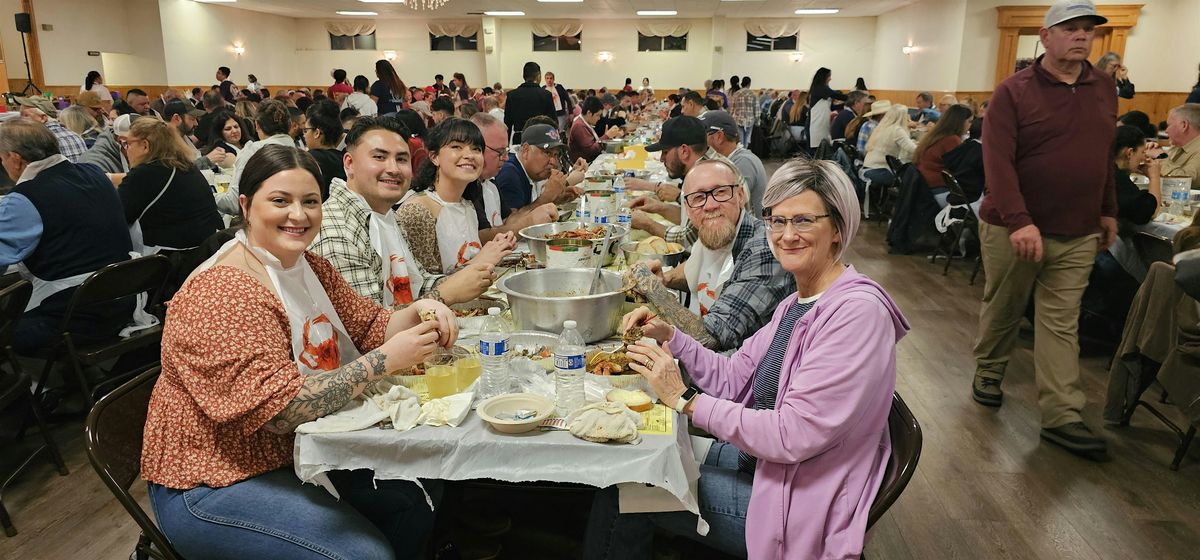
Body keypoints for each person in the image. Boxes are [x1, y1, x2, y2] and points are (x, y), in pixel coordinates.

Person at [585, 158, 907, 559]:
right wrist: (672, 337)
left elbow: (791, 436)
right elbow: (733, 377)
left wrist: (685, 400)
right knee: (637, 453)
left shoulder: (856, 314)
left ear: (838, 229)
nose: (786, 235)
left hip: (802, 505)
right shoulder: (799, 302)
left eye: (804, 221)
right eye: (777, 221)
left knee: (624, 490)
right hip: (768, 465)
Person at [141, 144, 451, 560]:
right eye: (280, 201)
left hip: (296, 454)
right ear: (247, 206)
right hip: (214, 479)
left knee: (418, 492)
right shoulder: (221, 292)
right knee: (366, 555)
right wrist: (384, 361)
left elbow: (371, 326)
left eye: (310, 202)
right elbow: (279, 412)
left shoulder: (308, 265)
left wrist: (419, 310)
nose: (299, 215)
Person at [972, 0, 1118, 458]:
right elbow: (996, 162)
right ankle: (989, 370)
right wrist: (1020, 220)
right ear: (1045, 35)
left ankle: (1062, 414)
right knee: (1006, 305)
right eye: (1069, 28)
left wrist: (1108, 209)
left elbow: (1103, 157)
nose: (1080, 36)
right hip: (1013, 227)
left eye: (1087, 30)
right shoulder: (1013, 91)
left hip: (1077, 229)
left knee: (1061, 322)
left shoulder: (1103, 88)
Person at [313, 116, 496, 308]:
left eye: (401, 159)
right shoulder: (337, 229)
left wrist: (470, 277)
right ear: (349, 163)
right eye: (379, 157)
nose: (393, 169)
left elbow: (419, 283)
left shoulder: (386, 216)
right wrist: (447, 293)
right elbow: (368, 329)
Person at [623, 159, 793, 351]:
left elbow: (711, 337)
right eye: (698, 197)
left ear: (739, 195)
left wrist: (651, 287)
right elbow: (692, 272)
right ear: (687, 208)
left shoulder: (766, 250)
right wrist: (665, 279)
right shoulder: (713, 232)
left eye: (720, 192)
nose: (710, 205)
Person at [0, 118, 134, 356]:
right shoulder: (94, 173)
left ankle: (32, 388)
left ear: (14, 158)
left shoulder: (25, 198)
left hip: (73, 314)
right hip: (123, 298)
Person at [398, 118, 517, 274]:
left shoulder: (467, 205)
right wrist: (483, 258)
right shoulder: (417, 212)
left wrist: (496, 248)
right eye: (456, 147)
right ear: (434, 157)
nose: (469, 155)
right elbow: (423, 290)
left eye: (476, 149)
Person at [1081, 125, 1163, 338]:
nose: (1141, 159)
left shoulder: (1100, 167)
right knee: (1154, 272)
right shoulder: (1113, 177)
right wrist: (1154, 177)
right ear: (1129, 152)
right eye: (1141, 153)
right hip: (1099, 256)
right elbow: (1146, 212)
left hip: (1081, 246)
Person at [626, 116, 746, 249]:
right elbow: (694, 222)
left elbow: (687, 239)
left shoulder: (706, 176)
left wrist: (646, 224)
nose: (661, 159)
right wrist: (659, 208)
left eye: (665, 152)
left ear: (684, 151)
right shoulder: (706, 165)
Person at [119, 118, 223, 258]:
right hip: (208, 251)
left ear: (145, 145)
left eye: (127, 144)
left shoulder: (143, 174)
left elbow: (118, 217)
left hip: (172, 261)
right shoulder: (186, 166)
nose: (126, 149)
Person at [466, 112, 557, 241]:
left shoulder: (490, 182)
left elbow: (508, 219)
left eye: (506, 151)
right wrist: (531, 219)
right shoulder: (468, 185)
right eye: (500, 152)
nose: (506, 157)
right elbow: (481, 238)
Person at [217, 99, 296, 215]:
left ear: (257, 125)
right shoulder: (304, 155)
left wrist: (208, 196)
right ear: (290, 126)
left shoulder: (252, 151)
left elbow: (234, 203)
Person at [493, 123, 580, 217]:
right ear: (526, 150)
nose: (554, 162)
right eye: (547, 153)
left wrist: (555, 199)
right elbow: (511, 223)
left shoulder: (529, 172)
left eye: (555, 155)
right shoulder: (509, 174)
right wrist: (546, 198)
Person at [700, 110, 767, 217]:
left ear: (719, 137)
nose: (698, 143)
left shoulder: (743, 162)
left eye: (702, 137)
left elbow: (724, 206)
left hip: (754, 230)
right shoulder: (734, 159)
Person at [915, 104, 974, 207]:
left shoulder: (934, 136)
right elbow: (963, 170)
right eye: (969, 121)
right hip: (938, 191)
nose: (971, 125)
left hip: (923, 188)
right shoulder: (952, 140)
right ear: (960, 122)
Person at [862, 104, 916, 189]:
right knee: (912, 179)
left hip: (868, 167)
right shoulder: (897, 130)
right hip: (881, 170)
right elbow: (913, 149)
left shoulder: (881, 127)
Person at [15, 100, 88, 163]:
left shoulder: (38, 142)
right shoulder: (75, 135)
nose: (20, 121)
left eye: (25, 116)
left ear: (43, 118)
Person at [163, 100, 226, 170]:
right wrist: (207, 159)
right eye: (192, 119)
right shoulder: (164, 143)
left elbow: (195, 157)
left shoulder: (182, 136)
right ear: (176, 118)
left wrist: (214, 153)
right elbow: (180, 171)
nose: (196, 124)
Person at [303, 99, 347, 200]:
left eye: (306, 130)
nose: (304, 136)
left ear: (317, 133)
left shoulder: (308, 160)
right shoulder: (345, 158)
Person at [503, 62, 556, 141]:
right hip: (541, 140)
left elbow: (507, 123)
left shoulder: (512, 95)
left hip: (520, 139)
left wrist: (506, 145)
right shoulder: (546, 95)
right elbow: (552, 122)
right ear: (538, 76)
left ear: (524, 76)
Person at [568, 96, 622, 164]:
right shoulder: (579, 126)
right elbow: (591, 151)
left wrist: (607, 137)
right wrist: (606, 136)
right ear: (589, 113)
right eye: (597, 115)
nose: (599, 118)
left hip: (591, 159)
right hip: (586, 163)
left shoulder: (584, 121)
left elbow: (593, 143)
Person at [1158, 103, 1200, 182]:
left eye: (1169, 125)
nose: (1166, 131)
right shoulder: (1178, 146)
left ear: (1184, 125)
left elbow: (1185, 181)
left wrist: (1160, 156)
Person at [806, 68, 847, 149]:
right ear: (824, 77)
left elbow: (830, 107)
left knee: (821, 147)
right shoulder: (819, 88)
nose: (830, 78)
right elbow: (837, 95)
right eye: (829, 76)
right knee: (816, 149)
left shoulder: (822, 88)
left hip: (821, 122)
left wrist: (844, 105)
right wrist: (853, 98)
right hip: (815, 123)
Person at [730, 77, 757, 148]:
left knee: (740, 140)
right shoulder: (753, 94)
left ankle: (741, 151)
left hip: (738, 119)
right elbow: (757, 109)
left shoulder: (736, 93)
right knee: (747, 139)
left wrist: (731, 118)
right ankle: (745, 150)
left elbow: (732, 108)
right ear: (749, 84)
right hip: (750, 119)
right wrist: (758, 121)